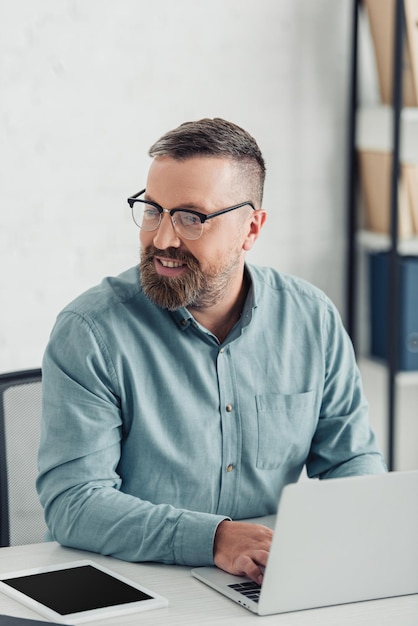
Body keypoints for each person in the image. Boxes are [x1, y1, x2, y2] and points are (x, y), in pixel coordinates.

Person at [37, 118, 386, 586]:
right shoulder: (90, 332)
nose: (162, 239)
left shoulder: (311, 319)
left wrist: (361, 540)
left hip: (268, 579)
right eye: (153, 210)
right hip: (136, 587)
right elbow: (74, 502)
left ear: (251, 229)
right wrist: (214, 538)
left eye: (191, 218)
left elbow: (350, 460)